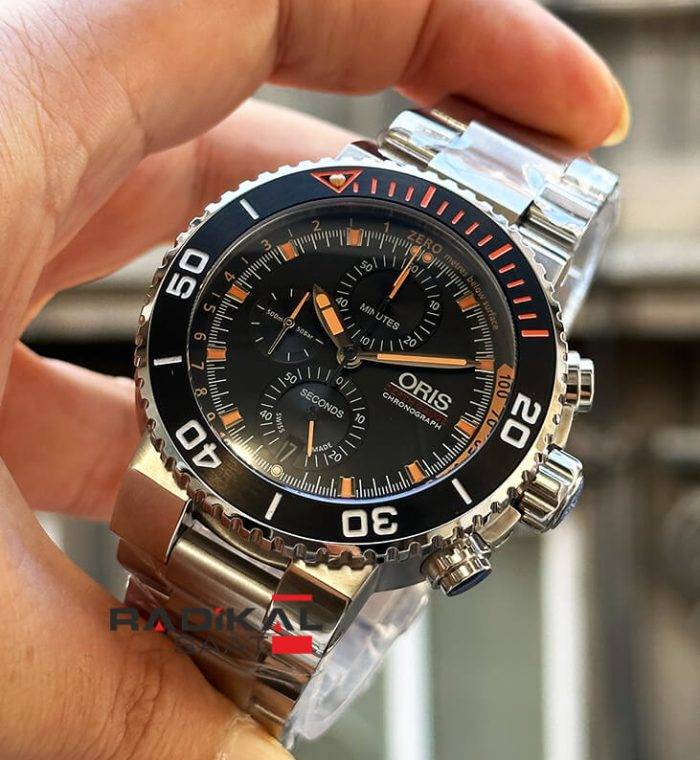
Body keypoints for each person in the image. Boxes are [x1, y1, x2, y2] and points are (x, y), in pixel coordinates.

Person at [0, 0, 629, 757]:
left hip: (294, 486)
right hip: (249, 456)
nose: (351, 360)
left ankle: (253, 685)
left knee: (256, 655)